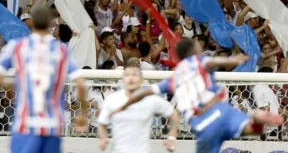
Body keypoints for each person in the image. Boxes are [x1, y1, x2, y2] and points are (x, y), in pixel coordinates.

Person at [110, 39, 283, 153]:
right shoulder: (200, 63)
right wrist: (234, 60)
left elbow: (148, 92)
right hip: (219, 114)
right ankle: (256, 119)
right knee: (246, 129)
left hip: (205, 123)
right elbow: (215, 62)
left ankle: (255, 120)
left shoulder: (177, 77)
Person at [0, 5, 89, 153]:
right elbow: (81, 85)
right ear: (50, 22)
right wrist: (82, 113)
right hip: (52, 125)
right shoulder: (61, 50)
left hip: (25, 125)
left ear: (32, 23)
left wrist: (15, 84)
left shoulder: (17, 46)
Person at [97, 59, 179, 153]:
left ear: (141, 80)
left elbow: (174, 115)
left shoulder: (150, 99)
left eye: (135, 75)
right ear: (123, 80)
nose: (131, 78)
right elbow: (102, 124)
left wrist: (171, 137)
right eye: (127, 75)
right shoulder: (112, 99)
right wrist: (103, 138)